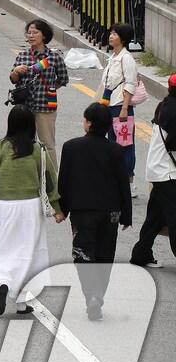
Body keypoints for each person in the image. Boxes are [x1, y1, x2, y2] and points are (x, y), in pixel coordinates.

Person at [0, 107, 64, 315]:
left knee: (4, 249)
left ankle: (3, 281)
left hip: (4, 207)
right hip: (30, 208)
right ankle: (20, 302)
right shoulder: (37, 150)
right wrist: (57, 209)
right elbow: (50, 179)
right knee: (28, 253)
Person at [58, 103, 132, 320]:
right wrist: (126, 215)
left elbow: (65, 182)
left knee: (83, 254)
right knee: (105, 255)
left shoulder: (71, 147)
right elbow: (122, 184)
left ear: (89, 123)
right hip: (111, 212)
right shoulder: (116, 150)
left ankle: (91, 295)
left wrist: (62, 210)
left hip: (82, 211)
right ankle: (98, 294)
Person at [8, 19, 69, 156]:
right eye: (29, 33)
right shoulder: (23, 56)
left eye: (35, 32)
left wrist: (50, 88)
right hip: (25, 106)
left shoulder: (54, 57)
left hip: (46, 105)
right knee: (24, 142)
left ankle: (50, 176)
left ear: (44, 35)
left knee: (47, 144)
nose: (31, 35)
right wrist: (16, 71)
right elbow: (13, 80)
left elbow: (63, 79)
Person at [131, 86, 176, 267]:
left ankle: (141, 254)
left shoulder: (166, 105)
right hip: (167, 172)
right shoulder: (173, 112)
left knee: (155, 217)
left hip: (159, 169)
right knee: (174, 217)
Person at [101, 23, 139, 196]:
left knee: (125, 144)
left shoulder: (127, 59)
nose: (111, 36)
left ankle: (128, 182)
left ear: (123, 39)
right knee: (112, 142)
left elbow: (131, 84)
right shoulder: (113, 57)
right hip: (110, 106)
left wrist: (125, 107)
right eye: (111, 33)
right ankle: (116, 179)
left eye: (115, 34)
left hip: (120, 107)